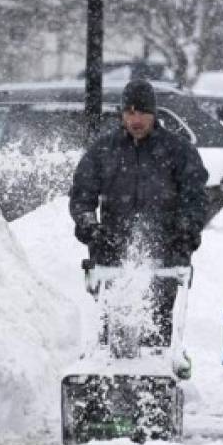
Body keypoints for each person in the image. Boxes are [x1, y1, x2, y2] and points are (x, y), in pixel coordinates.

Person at [69, 79, 210, 351]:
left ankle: (155, 377)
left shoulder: (177, 151)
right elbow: (82, 195)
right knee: (114, 323)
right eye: (129, 112)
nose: (136, 119)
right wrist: (89, 226)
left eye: (142, 112)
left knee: (156, 324)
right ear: (122, 114)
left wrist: (186, 229)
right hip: (113, 249)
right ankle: (113, 375)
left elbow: (195, 198)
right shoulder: (103, 151)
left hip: (164, 250)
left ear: (153, 114)